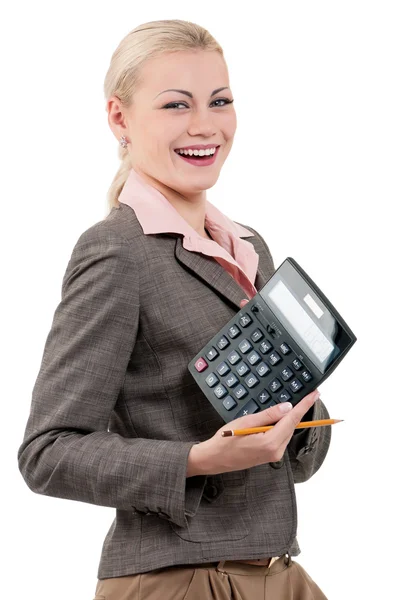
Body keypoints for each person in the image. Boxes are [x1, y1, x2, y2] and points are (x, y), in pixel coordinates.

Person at [17, 19, 331, 600]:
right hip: (178, 580)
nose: (205, 126)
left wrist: (301, 414)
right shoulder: (116, 251)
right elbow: (47, 453)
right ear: (120, 118)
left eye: (220, 101)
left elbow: (295, 462)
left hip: (280, 573)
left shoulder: (248, 246)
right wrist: (199, 459)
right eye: (175, 105)